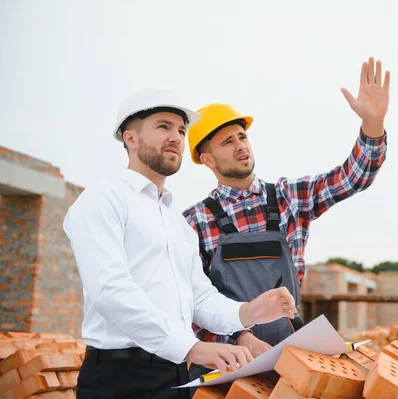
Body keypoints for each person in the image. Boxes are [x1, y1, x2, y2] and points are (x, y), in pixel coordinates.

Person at [63, 88, 298, 398]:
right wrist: (191, 347)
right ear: (130, 138)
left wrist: (249, 312)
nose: (176, 136)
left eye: (181, 130)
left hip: (176, 376)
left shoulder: (178, 224)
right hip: (119, 380)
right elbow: (110, 290)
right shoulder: (102, 200)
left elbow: (200, 300)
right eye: (163, 126)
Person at [182, 57, 390, 359]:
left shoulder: (289, 198)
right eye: (228, 142)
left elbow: (353, 177)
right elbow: (189, 302)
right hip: (226, 362)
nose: (241, 145)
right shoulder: (194, 222)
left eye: (243, 136)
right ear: (207, 159)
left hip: (288, 353)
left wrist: (373, 123)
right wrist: (239, 338)